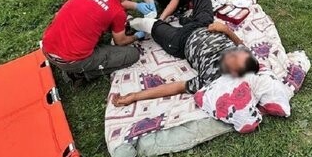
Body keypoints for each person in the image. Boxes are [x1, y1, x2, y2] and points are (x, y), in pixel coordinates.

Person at [111, 19, 260, 106]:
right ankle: (184, 17)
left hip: (180, 40)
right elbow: (240, 44)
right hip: (207, 25)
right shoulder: (247, 60)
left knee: (150, 24)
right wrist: (226, 30)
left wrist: (136, 96)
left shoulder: (211, 79)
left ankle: (129, 21)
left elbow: (176, 87)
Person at [41, 0, 141, 83]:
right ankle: (79, 75)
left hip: (48, 47)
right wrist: (137, 36)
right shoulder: (117, 11)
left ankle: (75, 65)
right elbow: (121, 41)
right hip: (70, 60)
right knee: (132, 55)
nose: (129, 0)